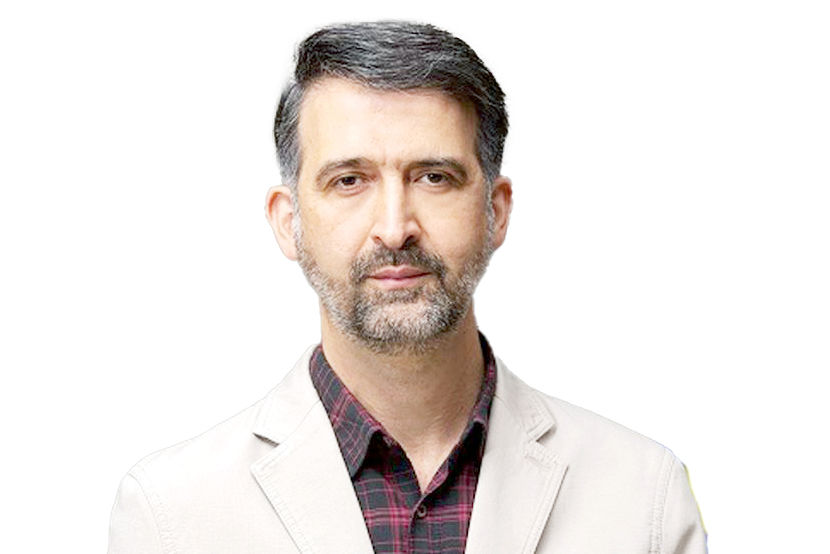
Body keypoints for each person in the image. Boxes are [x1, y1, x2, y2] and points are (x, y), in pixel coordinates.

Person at [108, 21, 707, 554]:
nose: (395, 228)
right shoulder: (170, 515)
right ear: (289, 222)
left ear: (496, 211)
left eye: (434, 177)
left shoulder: (643, 500)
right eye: (349, 180)